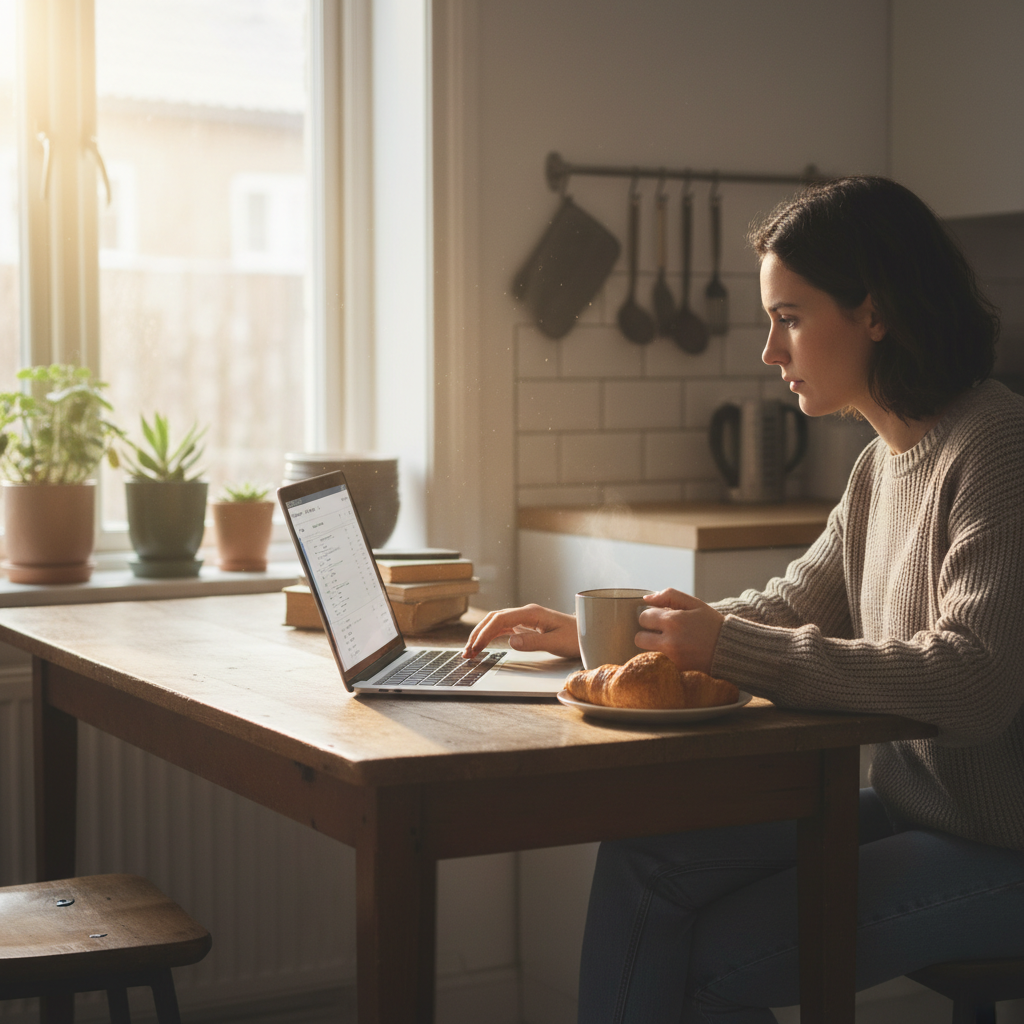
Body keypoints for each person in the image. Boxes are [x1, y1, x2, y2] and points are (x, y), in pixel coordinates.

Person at [462, 176, 1024, 1023]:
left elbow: (973, 682)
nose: (770, 350)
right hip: (920, 811)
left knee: (710, 962)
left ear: (873, 312)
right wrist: (607, 641)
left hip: (1001, 842)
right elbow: (792, 602)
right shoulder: (881, 464)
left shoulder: (996, 445)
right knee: (644, 859)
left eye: (789, 318)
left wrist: (720, 647)